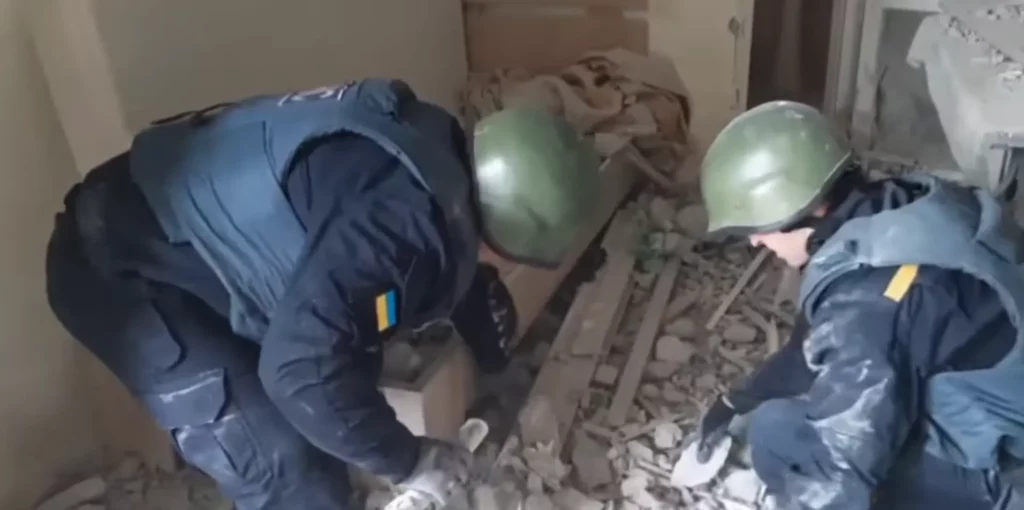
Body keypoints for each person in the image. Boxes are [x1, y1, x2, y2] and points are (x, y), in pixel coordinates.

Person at [45, 78, 601, 510]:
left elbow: (459, 263)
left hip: (184, 239)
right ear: (504, 240)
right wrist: (411, 462)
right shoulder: (400, 232)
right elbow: (299, 370)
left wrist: (497, 369)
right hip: (119, 272)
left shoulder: (438, 155)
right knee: (293, 473)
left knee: (330, 390)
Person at [692, 100, 1024, 509]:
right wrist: (737, 401)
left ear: (805, 209)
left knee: (779, 435)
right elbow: (812, 349)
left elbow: (839, 472)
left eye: (758, 227)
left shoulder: (870, 304)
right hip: (1003, 418)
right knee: (785, 414)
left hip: (1004, 479)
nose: (754, 241)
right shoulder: (904, 209)